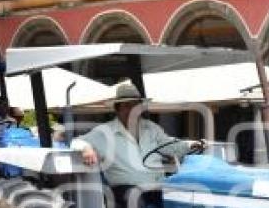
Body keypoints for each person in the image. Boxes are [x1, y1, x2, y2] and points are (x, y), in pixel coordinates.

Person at [71, 80, 206, 188]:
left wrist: (190, 145)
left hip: (157, 186)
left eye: (135, 106)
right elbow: (76, 142)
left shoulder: (151, 128)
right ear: (117, 110)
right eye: (127, 106)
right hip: (125, 190)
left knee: (183, 198)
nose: (132, 110)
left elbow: (170, 145)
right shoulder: (104, 132)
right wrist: (87, 149)